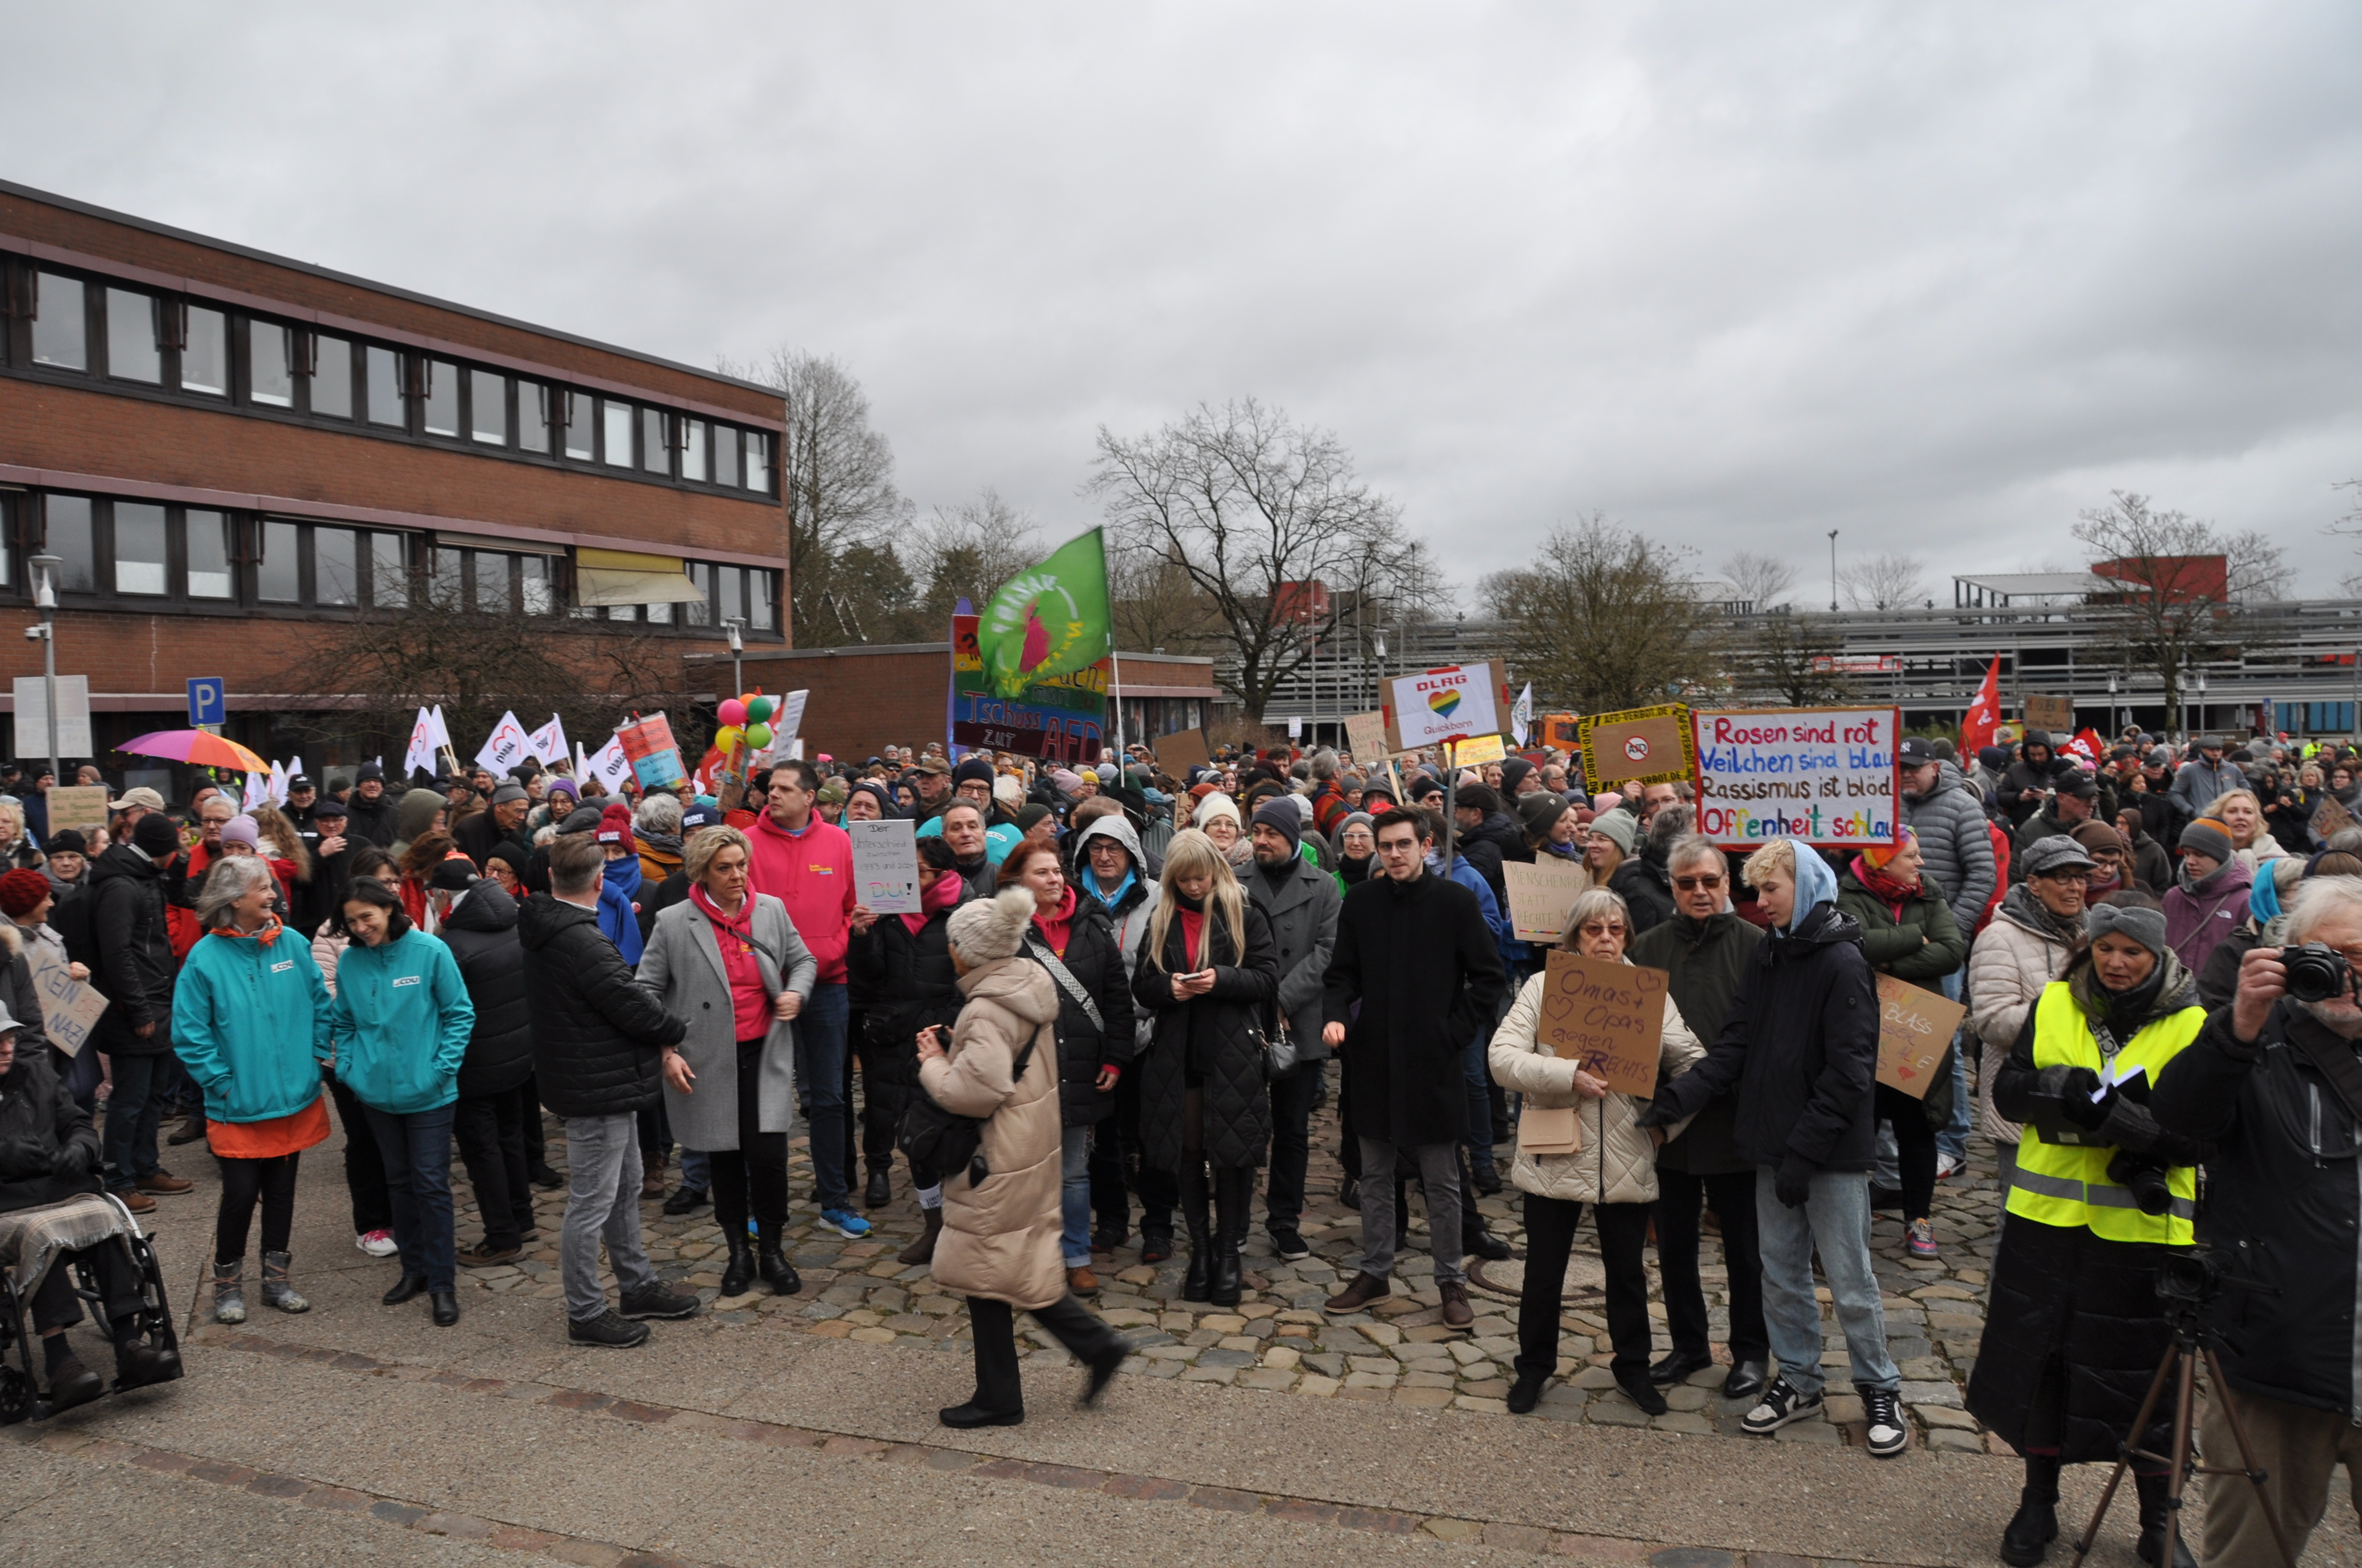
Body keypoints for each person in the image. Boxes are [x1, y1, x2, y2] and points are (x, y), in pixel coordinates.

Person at [1640, 839, 1908, 1459]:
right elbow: (1736, 1044)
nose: (1759, 902)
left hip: (1828, 1155)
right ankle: (1800, 1380)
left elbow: (1849, 1073)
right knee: (1781, 1277)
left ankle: (1879, 1387)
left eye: (1770, 889)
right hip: (1773, 1148)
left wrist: (1804, 1153)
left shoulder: (1841, 961)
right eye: (1756, 890)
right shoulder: (1770, 953)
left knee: (1849, 1279)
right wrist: (1678, 1098)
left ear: (1805, 887)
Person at [1970, 901, 2205, 1568]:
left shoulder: (2192, 1022)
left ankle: (2158, 1519)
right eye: (2105, 949)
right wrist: (2052, 1083)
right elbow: (2006, 1093)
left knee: (2148, 1377)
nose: (2115, 962)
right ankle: (2036, 1502)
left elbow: (2203, 1133)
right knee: (2043, 1365)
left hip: (2143, 1231)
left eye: (2131, 951)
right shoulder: (2052, 1002)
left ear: (2157, 956)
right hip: (2045, 1226)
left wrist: (2126, 1123)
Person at [2153, 876, 2362, 1564]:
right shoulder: (2251, 1040)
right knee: (2249, 1555)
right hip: (2277, 1361)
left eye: (2358, 955)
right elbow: (2178, 1123)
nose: (2340, 972)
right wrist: (2238, 1024)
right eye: (2324, 954)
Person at [918, 885, 1129, 1426]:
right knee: (1015, 1263)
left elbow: (974, 1092)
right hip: (1028, 1144)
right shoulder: (1027, 983)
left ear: (968, 951)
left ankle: (1001, 1397)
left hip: (996, 1155)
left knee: (985, 1269)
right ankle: (1094, 1346)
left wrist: (933, 1062)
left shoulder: (985, 1009)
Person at [1491, 887, 1704, 1416]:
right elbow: (1502, 1057)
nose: (1605, 939)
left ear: (1627, 935)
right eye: (1594, 929)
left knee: (1627, 1273)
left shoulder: (1649, 995)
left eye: (1615, 929)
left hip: (1626, 1152)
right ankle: (1533, 1368)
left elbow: (1694, 1064)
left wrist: (1666, 1126)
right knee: (1544, 1272)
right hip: (1556, 1147)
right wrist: (1567, 1074)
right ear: (1575, 937)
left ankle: (1633, 1369)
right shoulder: (1543, 987)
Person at [1319, 807, 1505, 1329]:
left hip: (1432, 1062)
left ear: (1426, 846)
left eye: (1404, 844)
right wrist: (1338, 1018)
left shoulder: (1455, 902)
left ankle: (1451, 1279)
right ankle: (1375, 1272)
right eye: (1386, 846)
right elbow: (1341, 975)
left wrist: (1452, 1033)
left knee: (1441, 1179)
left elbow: (1488, 978)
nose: (1394, 854)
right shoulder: (1361, 902)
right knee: (1375, 1174)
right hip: (1373, 1060)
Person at [521, 832, 699, 1347]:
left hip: (599, 1079)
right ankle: (585, 1311)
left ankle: (636, 1284)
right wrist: (676, 1028)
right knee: (592, 1202)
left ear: (552, 876)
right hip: (594, 1084)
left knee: (624, 1187)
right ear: (600, 882)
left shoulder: (554, 926)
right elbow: (629, 1003)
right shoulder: (581, 938)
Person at [640, 825, 813, 1299]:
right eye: (725, 868)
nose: (738, 875)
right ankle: (739, 1253)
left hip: (764, 1052)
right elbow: (647, 990)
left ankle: (773, 1251)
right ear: (702, 872)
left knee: (769, 1156)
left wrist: (795, 992)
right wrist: (667, 1051)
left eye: (742, 865)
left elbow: (804, 961)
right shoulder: (674, 921)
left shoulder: (771, 910)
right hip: (707, 1056)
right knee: (726, 1157)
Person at [1632, 835, 1772, 1401]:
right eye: (1687, 882)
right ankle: (1688, 1344)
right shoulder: (1647, 947)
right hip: (1669, 1124)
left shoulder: (1757, 946)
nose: (1699, 891)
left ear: (1726, 884)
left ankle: (1751, 1350)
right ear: (1671, 887)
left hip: (1734, 1122)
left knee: (1745, 1248)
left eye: (1709, 881)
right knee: (1674, 1246)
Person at [171, 854, 335, 1324]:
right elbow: (189, 1032)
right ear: (233, 898)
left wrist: (314, 1058)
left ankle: (276, 1280)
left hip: (293, 1099)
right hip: (237, 1105)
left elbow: (321, 1005)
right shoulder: (204, 958)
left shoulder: (293, 944)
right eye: (262, 887)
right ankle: (227, 1285)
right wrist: (221, 1082)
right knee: (240, 1194)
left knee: (282, 1193)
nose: (272, 894)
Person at [0, 1007, 180, 1411]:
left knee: (105, 1216)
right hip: (9, 1207)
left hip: (61, 1189)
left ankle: (129, 1345)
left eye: (9, 1038)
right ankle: (59, 1361)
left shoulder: (37, 1074)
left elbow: (79, 1124)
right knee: (44, 1233)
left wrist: (80, 1149)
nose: (7, 1047)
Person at [1131, 828, 1278, 1308]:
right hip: (1179, 1055)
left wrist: (1221, 980)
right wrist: (1169, 989)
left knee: (1233, 1155)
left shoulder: (1245, 911)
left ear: (1216, 872)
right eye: (1185, 880)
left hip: (1233, 1052)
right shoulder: (1162, 917)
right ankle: (1200, 1250)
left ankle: (1229, 1252)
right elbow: (1142, 984)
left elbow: (1266, 978)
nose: (1195, 887)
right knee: (1188, 1151)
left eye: (1202, 878)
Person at [327, 877, 474, 1326]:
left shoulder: (430, 951)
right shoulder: (351, 961)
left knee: (430, 1184)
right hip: (376, 1095)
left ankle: (443, 1283)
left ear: (389, 908)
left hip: (430, 1093)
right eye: (352, 921)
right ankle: (414, 1270)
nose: (360, 927)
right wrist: (350, 1069)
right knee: (399, 1183)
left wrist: (440, 1069)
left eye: (366, 917)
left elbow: (459, 1013)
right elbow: (344, 1022)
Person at [1000, 836, 1135, 1295]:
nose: (1054, 879)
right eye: (1042, 872)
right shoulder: (1004, 931)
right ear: (1018, 881)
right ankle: (1029, 1256)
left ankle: (1076, 1257)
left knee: (1074, 1173)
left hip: (1079, 1068)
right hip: (1026, 1071)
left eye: (1057, 870)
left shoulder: (1091, 925)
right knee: (1024, 1170)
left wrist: (1115, 1058)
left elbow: (1116, 999)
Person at [745, 759, 867, 1240]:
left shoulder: (839, 843)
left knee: (830, 1098)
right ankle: (764, 1206)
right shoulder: (747, 844)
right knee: (765, 1099)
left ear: (809, 796)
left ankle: (834, 1202)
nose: (772, 795)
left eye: (783, 788)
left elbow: (852, 909)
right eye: (770, 788)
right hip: (766, 990)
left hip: (829, 985)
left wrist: (833, 949)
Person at [1834, 829, 1966, 1259]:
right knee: (1860, 1129)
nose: (1920, 863)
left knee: (1917, 1127)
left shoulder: (1928, 892)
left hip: (1917, 1030)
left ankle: (1919, 1218)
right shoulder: (1849, 892)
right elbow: (1855, 944)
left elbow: (1952, 950)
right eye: (1911, 855)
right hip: (1866, 1030)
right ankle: (1849, 1223)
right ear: (1884, 861)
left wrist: (1888, 961)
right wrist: (1914, 937)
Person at [850, 837, 974, 1263]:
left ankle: (963, 1225)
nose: (906, 877)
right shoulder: (889, 913)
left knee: (949, 1133)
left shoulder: (964, 914)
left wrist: (946, 1027)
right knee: (911, 1132)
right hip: (896, 1036)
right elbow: (868, 980)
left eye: (917, 870)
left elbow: (972, 981)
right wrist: (861, 936)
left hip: (942, 1038)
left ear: (941, 874)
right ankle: (933, 1224)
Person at [1070, 812, 1172, 1262]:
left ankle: (1158, 1225)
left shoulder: (1158, 897)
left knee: (1152, 1136)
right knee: (1103, 1138)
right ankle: (1111, 1219)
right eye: (1096, 848)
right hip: (1091, 1038)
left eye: (1114, 848)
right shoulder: (1072, 898)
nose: (1105, 856)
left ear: (1132, 853)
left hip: (1148, 1031)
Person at [1241, 797, 1339, 1263]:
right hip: (1244, 1020)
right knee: (1242, 1126)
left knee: (1293, 1129)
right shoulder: (1236, 881)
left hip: (1299, 1024)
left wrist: (1281, 1000)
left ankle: (1284, 1221)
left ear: (1293, 837)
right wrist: (1261, 999)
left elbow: (1328, 951)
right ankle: (1236, 1220)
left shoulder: (1323, 887)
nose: (1262, 841)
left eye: (1272, 834)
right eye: (1257, 832)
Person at [429, 860, 538, 1269]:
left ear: (443, 895)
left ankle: (502, 1237)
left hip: (474, 1063)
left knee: (482, 1149)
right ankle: (522, 1218)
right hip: (516, 1053)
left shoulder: (453, 944)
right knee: (510, 1137)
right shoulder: (512, 921)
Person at [1972, 836, 2095, 1190]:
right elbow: (1992, 1022)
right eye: (2063, 877)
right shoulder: (1999, 938)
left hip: (2080, 1094)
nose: (2075, 887)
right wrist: (2064, 1007)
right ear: (2034, 883)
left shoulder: (2093, 934)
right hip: (2023, 1099)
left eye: (2081, 877)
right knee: (2019, 1210)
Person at [85, 812, 190, 1215]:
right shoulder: (121, 885)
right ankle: (118, 1179)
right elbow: (117, 954)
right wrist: (139, 1009)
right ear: (163, 850)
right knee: (129, 1100)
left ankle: (146, 1168)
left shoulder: (145, 876)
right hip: (135, 1009)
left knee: (154, 1095)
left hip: (157, 1001)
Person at [2163, 816, 2253, 976]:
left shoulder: (2245, 901)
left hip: (2219, 991)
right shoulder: (2173, 897)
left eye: (2199, 855)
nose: (2190, 861)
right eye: (2187, 854)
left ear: (2220, 857)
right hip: (2174, 988)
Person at [456, 782, 532, 872]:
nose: (522, 817)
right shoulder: (467, 830)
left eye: (524, 812)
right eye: (518, 811)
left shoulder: (516, 838)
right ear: (499, 808)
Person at [2168, 737, 2241, 826]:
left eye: (2218, 749)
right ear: (2203, 750)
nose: (2216, 753)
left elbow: (2246, 791)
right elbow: (2174, 793)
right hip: (2202, 822)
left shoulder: (2233, 769)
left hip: (2229, 822)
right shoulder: (2190, 770)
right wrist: (2190, 811)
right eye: (2211, 750)